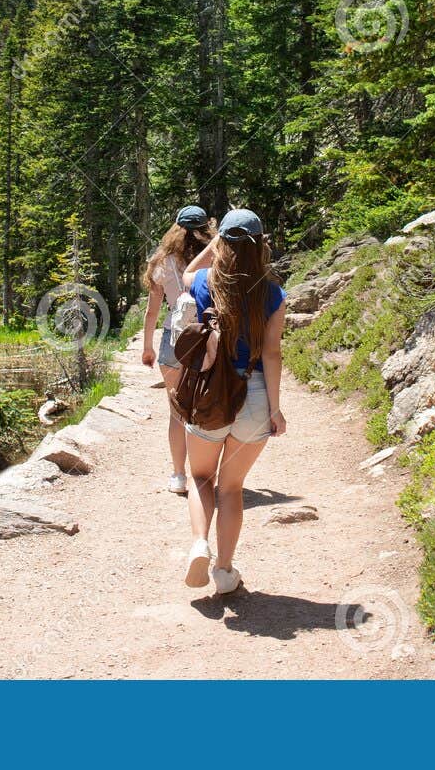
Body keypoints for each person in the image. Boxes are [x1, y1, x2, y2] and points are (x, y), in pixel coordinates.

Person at [178, 208, 286, 594]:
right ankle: (224, 571)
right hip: (254, 396)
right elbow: (272, 354)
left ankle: (197, 544)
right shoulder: (273, 293)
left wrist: (214, 244)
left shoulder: (204, 281)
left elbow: (187, 272)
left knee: (200, 477)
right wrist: (274, 409)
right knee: (231, 488)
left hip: (210, 394)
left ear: (222, 243)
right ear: (260, 246)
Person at [141, 205, 214, 494]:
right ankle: (204, 474)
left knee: (177, 412)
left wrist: (147, 347)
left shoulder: (162, 262)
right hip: (207, 338)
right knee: (205, 406)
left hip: (174, 337)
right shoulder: (216, 257)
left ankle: (178, 475)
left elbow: (151, 311)